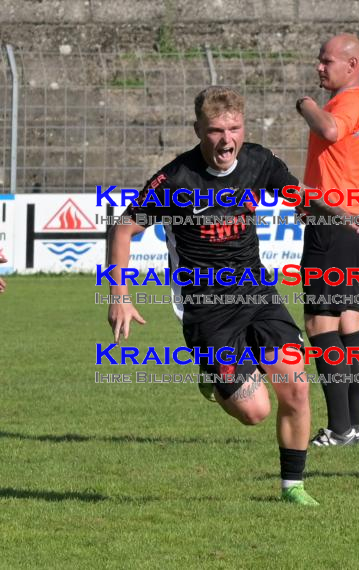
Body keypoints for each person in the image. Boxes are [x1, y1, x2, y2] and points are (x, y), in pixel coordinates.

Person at [107, 86, 319, 505]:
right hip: (206, 308)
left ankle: (293, 486)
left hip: (258, 293)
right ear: (198, 130)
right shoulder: (176, 180)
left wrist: (330, 213)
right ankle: (214, 376)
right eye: (216, 131)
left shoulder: (259, 160)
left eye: (235, 128)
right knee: (255, 412)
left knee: (296, 387)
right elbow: (123, 228)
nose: (227, 140)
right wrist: (119, 295)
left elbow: (299, 198)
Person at [296, 34, 359, 447]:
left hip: (335, 230)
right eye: (319, 60)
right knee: (350, 322)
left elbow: (329, 131)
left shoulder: (346, 102)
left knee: (319, 323)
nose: (319, 67)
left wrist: (304, 105)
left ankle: (340, 429)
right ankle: (356, 425)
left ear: (352, 65)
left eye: (326, 61)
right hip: (355, 225)